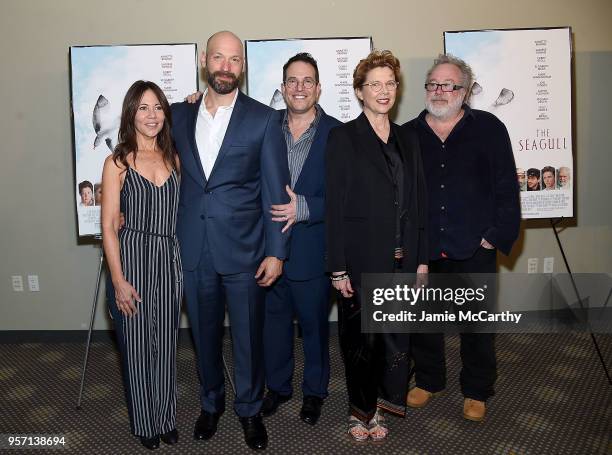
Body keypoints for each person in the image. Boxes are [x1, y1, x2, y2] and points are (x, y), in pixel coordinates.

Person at [171, 31, 289, 451]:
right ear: (205, 60)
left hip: (245, 252)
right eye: (218, 57)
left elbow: (276, 192)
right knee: (203, 337)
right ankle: (211, 403)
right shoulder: (176, 116)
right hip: (193, 251)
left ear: (243, 66)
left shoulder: (263, 119)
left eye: (234, 60)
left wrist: (277, 252)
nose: (225, 66)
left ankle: (250, 410)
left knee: (248, 339)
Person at [403, 54, 520, 422]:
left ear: (465, 90)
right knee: (423, 322)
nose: (439, 91)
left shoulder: (489, 128)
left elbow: (506, 188)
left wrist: (492, 238)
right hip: (424, 248)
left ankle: (477, 388)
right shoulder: (406, 134)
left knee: (477, 326)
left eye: (448, 85)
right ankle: (429, 379)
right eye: (433, 84)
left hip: (474, 246)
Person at [326, 50, 428, 441]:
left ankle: (381, 409)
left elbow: (418, 204)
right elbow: (334, 207)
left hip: (403, 261)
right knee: (361, 342)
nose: (383, 91)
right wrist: (337, 268)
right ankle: (359, 411)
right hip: (359, 261)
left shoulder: (409, 138)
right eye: (374, 85)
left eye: (390, 83)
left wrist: (421, 262)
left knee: (394, 338)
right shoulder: (343, 138)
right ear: (359, 91)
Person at [257, 53, 341, 425]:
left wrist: (304, 207)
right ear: (282, 87)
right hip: (269, 250)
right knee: (273, 326)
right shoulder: (264, 126)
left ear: (319, 88)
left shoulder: (338, 134)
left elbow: (348, 197)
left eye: (308, 81)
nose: (300, 88)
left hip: (312, 251)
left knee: (314, 329)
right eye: (292, 80)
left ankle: (314, 392)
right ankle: (278, 387)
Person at [101, 80, 182, 450]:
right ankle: (145, 423)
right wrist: (118, 281)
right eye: (143, 108)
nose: (152, 116)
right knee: (135, 347)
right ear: (131, 114)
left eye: (158, 108)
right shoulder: (116, 162)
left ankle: (165, 418)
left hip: (169, 257)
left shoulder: (174, 158)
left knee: (165, 344)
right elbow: (108, 226)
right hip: (131, 255)